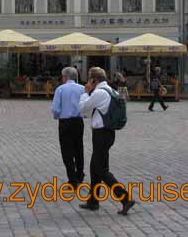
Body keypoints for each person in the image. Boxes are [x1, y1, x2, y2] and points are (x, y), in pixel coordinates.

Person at [78, 67, 135, 215]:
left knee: (102, 170)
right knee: (94, 167)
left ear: (93, 80)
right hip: (108, 133)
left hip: (101, 134)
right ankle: (93, 201)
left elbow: (83, 109)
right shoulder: (111, 90)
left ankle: (126, 198)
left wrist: (85, 92)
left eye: (89, 79)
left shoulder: (99, 93)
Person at [51, 67, 85, 188]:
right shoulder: (82, 88)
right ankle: (80, 174)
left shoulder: (60, 89)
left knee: (67, 151)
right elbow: (85, 105)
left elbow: (55, 109)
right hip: (78, 121)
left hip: (65, 122)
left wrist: (57, 116)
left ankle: (72, 179)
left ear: (64, 77)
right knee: (78, 148)